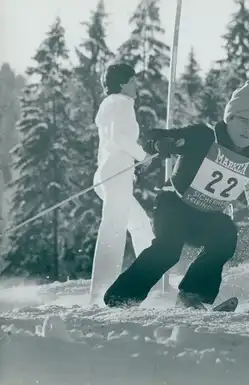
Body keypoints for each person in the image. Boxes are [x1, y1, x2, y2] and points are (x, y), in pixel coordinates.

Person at [103, 80, 249, 309]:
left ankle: (191, 296)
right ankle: (121, 298)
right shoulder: (203, 136)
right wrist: (159, 143)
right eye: (243, 120)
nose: (248, 129)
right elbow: (154, 136)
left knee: (226, 236)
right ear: (230, 119)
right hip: (175, 205)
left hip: (207, 216)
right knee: (168, 249)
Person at [89, 63, 155, 302]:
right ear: (123, 83)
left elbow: (110, 138)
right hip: (117, 172)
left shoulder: (108, 104)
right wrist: (142, 156)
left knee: (140, 223)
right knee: (114, 230)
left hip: (106, 172)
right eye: (133, 80)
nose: (136, 85)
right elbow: (119, 137)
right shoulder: (123, 103)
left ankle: (151, 277)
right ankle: (102, 293)